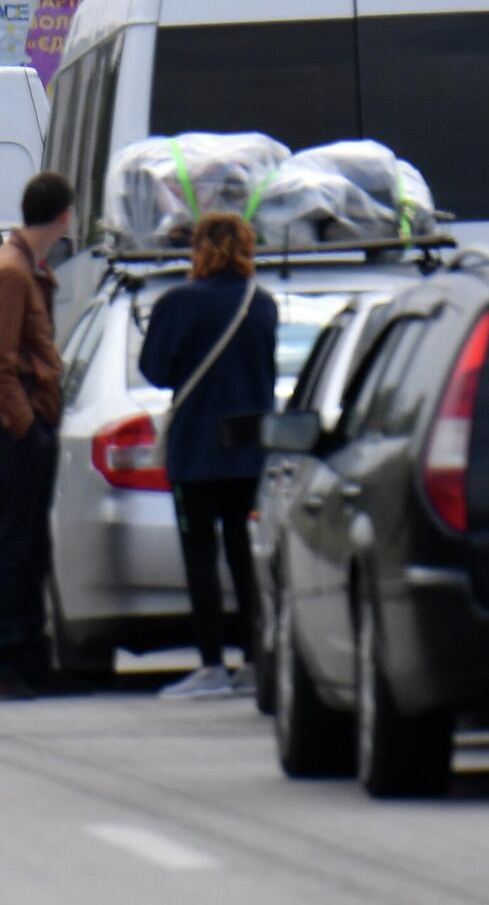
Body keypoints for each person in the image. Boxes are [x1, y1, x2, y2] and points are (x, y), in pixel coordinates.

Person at [139, 212, 279, 700]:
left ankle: (211, 663)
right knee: (243, 550)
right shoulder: (260, 303)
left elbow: (154, 369)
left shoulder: (178, 301)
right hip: (247, 450)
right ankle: (256, 659)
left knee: (199, 552)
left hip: (195, 451)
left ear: (198, 249)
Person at [0, 172, 77, 703]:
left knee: (30, 544)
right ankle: (1, 663)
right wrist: (26, 426)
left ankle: (30, 660)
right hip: (13, 425)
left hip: (24, 422)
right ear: (65, 216)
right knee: (13, 545)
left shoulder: (22, 267)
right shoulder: (11, 273)